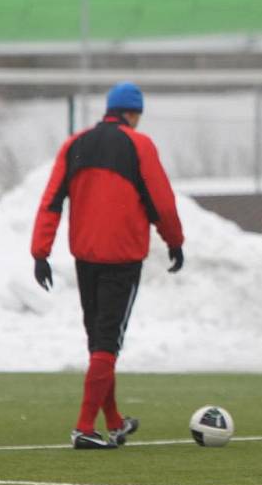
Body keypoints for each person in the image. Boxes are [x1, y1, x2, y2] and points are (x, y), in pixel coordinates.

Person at [30, 81, 185, 449]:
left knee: (99, 340)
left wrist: (41, 252)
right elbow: (161, 203)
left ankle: (113, 421)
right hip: (123, 258)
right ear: (134, 114)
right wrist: (174, 242)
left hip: (85, 257)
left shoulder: (74, 144)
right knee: (107, 341)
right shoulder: (139, 145)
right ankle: (84, 427)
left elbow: (51, 200)